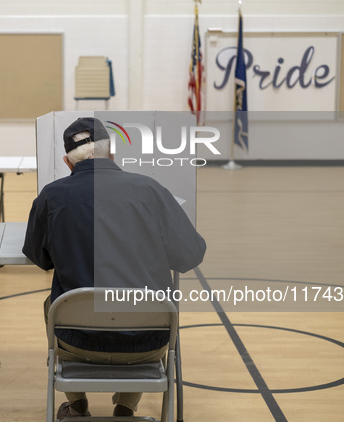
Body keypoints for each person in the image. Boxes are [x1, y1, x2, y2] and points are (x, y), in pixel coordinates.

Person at [22, 117, 206, 419]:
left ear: (67, 162)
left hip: (76, 341)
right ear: (112, 154)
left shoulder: (51, 197)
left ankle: (77, 406)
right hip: (148, 343)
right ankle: (125, 408)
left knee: (54, 304)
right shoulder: (151, 190)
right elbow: (191, 256)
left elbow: (40, 258)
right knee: (144, 301)